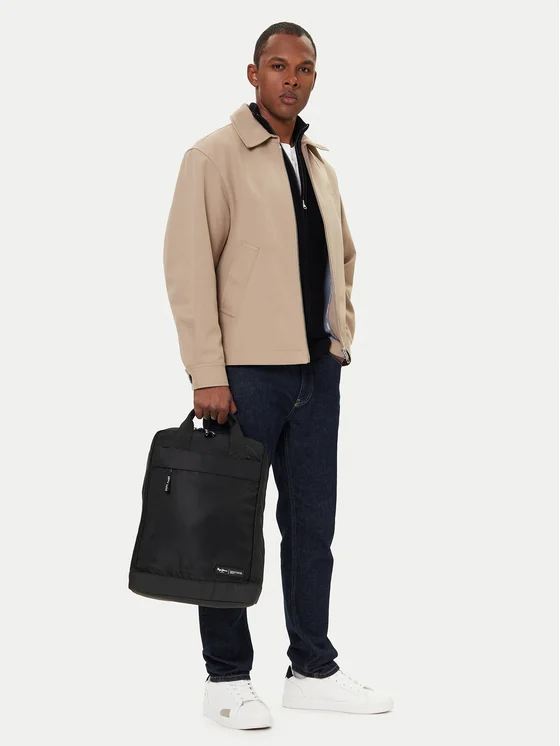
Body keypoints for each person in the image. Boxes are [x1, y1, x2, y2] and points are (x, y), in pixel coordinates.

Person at [163, 21, 394, 730]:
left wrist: (338, 338)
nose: (290, 79)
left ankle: (311, 668)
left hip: (315, 372)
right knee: (227, 526)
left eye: (303, 68)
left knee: (312, 525)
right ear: (253, 74)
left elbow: (343, 255)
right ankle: (226, 679)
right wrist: (208, 371)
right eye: (277, 65)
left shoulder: (318, 162)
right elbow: (188, 267)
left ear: (313, 78)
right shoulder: (213, 156)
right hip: (245, 375)